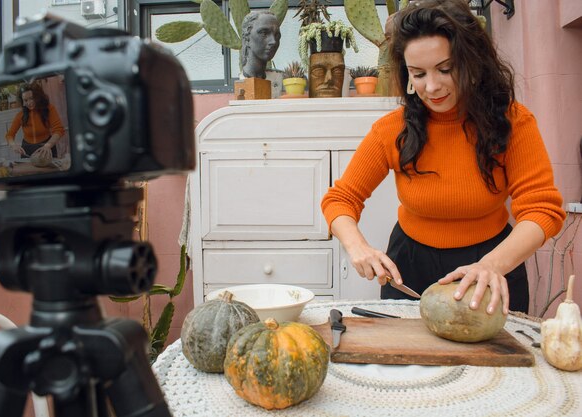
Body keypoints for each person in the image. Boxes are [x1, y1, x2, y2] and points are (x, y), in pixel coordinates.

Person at [321, 0, 565, 315]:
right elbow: (340, 199)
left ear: (473, 62)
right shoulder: (391, 130)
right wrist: (358, 247)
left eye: (445, 69)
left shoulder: (514, 122)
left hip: (492, 263)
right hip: (410, 267)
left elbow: (542, 210)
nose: (432, 86)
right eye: (418, 74)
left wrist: (492, 265)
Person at [5, 82, 65, 160]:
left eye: (31, 98)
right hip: (27, 150)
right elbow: (9, 135)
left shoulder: (49, 108)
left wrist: (48, 145)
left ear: (38, 96)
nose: (29, 103)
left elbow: (59, 130)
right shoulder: (20, 115)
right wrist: (13, 145)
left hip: (46, 147)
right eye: (25, 100)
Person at [240, 11, 281, 79]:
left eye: (277, 35)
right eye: (264, 33)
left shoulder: (281, 80)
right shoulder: (244, 80)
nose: (273, 41)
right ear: (247, 38)